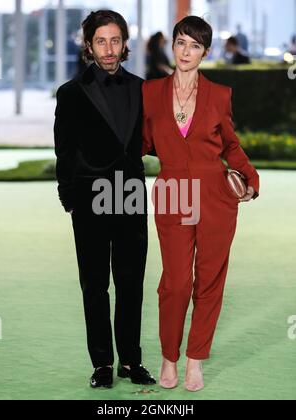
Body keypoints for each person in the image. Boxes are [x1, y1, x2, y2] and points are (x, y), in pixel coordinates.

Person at [142, 16, 260, 392]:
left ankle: (195, 359)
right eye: (180, 42)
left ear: (206, 52)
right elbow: (140, 143)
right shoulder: (151, 92)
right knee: (176, 282)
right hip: (173, 192)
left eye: (194, 45)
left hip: (214, 195)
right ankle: (169, 355)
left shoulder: (220, 94)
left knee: (209, 281)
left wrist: (250, 179)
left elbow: (230, 144)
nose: (186, 51)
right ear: (172, 46)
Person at [54, 10, 156, 389]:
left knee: (131, 282)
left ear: (125, 43)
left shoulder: (142, 89)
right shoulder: (70, 93)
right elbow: (63, 149)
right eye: (101, 41)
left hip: (130, 193)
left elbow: (157, 140)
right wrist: (70, 199)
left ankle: (130, 361)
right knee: (94, 284)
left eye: (115, 40)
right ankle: (102, 365)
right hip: (90, 195)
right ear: (89, 45)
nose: (109, 49)